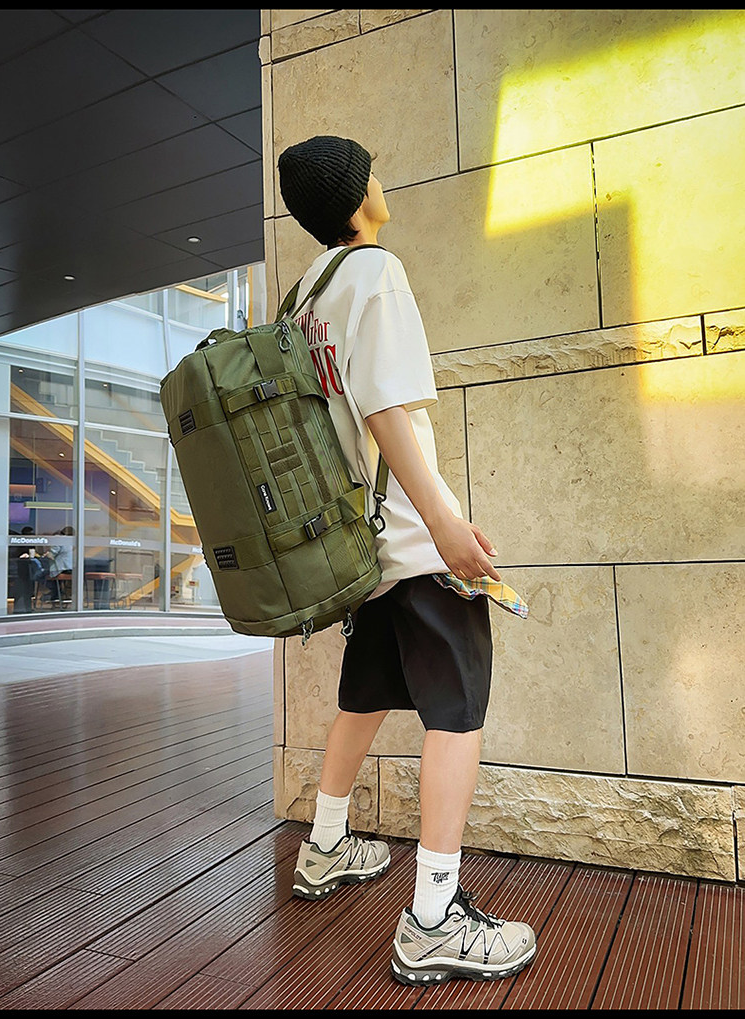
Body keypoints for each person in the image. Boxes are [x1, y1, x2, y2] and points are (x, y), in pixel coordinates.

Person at [277, 136, 536, 985]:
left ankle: (324, 845)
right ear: (358, 196)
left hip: (356, 540)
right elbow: (387, 413)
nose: (382, 180)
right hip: (409, 534)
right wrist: (446, 525)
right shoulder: (374, 272)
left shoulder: (301, 297)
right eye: (372, 171)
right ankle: (433, 917)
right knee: (457, 705)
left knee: (365, 692)